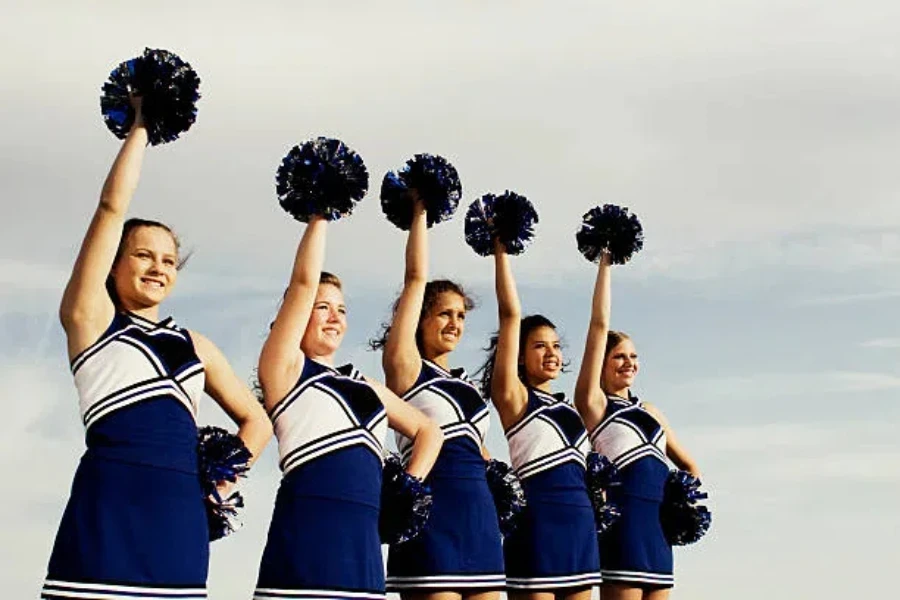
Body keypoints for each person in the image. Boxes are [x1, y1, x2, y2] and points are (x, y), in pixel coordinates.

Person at [42, 98, 272, 600]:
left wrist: (220, 482)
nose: (158, 268)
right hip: (109, 510)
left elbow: (258, 422)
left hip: (180, 523)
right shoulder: (91, 320)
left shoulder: (195, 345)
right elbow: (111, 209)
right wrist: (142, 124)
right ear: (112, 264)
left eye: (168, 260)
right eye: (143, 255)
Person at [254, 215, 444, 600]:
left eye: (341, 309)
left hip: (363, 549)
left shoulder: (366, 385)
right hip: (306, 537)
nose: (334, 316)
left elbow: (430, 432)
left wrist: (407, 486)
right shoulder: (286, 370)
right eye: (321, 307)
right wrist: (320, 214)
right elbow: (303, 282)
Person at [375, 198, 505, 598]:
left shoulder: (466, 386)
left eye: (462, 315)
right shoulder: (406, 367)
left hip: (479, 519)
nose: (455, 323)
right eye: (444, 314)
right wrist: (419, 211)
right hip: (431, 516)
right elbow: (416, 278)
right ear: (420, 318)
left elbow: (477, 451)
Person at [573, 252, 701, 599]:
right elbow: (598, 327)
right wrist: (605, 265)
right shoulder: (595, 405)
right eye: (618, 356)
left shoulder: (652, 412)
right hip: (622, 529)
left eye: (633, 356)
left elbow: (690, 466)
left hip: (657, 531)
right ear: (601, 363)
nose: (628, 363)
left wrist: (681, 505)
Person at [479, 238, 601, 600]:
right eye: (538, 345)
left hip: (580, 529)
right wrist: (501, 251)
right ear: (517, 355)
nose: (551, 353)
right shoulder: (514, 398)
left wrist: (605, 262)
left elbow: (598, 326)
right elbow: (509, 316)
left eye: (556, 345)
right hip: (537, 528)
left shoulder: (571, 410)